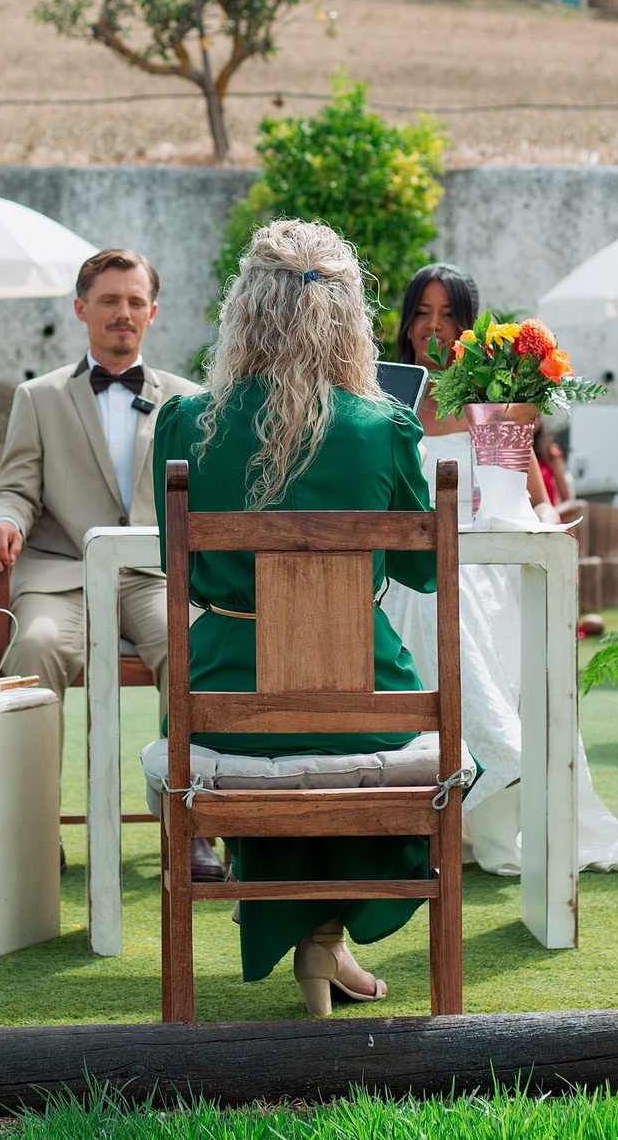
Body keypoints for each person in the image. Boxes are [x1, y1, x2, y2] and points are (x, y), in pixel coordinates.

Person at [149, 219, 444, 1015]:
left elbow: (177, 565)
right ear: (349, 320)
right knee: (424, 747)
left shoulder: (183, 423)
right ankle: (326, 935)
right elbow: (421, 567)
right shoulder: (385, 425)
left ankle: (319, 939)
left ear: (244, 310)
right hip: (364, 704)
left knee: (276, 736)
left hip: (226, 708)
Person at [378, 261, 618, 874]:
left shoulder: (490, 394)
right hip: (410, 557)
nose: (432, 327)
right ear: (407, 322)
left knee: (458, 594)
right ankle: (478, 768)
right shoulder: (383, 397)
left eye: (448, 315)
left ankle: (497, 783)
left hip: (488, 553)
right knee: (426, 595)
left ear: (468, 327)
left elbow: (535, 494)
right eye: (422, 313)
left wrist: (545, 548)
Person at [0, 248, 209, 875]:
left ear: (153, 313)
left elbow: (210, 496)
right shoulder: (38, 397)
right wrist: (1, 520)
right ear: (81, 309)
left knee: (195, 644)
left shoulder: (189, 402)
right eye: (109, 300)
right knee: (36, 649)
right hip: (60, 575)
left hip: (151, 572)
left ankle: (187, 820)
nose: (122, 313)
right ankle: (26, 829)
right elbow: (15, 487)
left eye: (135, 302)